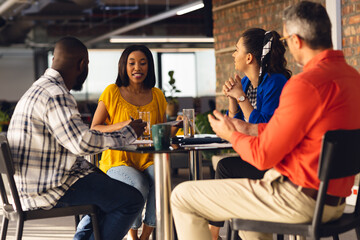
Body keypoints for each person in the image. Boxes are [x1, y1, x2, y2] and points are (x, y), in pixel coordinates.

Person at [171, 1, 360, 240]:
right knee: (248, 222)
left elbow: (263, 157)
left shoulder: (304, 85)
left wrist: (232, 135)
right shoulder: (353, 78)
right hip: (335, 202)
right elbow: (288, 132)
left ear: (296, 41)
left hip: (299, 199)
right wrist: (247, 127)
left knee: (182, 195)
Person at [6, 36, 147, 240]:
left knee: (107, 192)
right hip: (46, 189)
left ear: (54, 59)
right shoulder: (56, 94)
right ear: (83, 64)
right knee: (131, 199)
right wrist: (129, 133)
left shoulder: (38, 88)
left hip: (27, 186)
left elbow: (74, 138)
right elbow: (82, 143)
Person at [209, 28, 291, 240]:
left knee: (225, 168)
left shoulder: (276, 82)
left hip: (275, 162)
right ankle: (226, 233)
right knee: (227, 170)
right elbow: (233, 122)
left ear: (249, 57)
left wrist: (242, 98)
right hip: (254, 155)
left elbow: (265, 127)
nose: (233, 55)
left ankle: (214, 234)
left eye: (236, 50)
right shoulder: (245, 83)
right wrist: (232, 98)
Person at [91, 44, 166, 240]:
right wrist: (123, 125)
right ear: (124, 66)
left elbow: (161, 128)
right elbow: (95, 128)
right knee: (139, 184)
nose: (137, 68)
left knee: (161, 180)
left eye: (143, 63)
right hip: (117, 160)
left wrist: (177, 125)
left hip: (148, 157)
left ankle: (146, 236)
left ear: (149, 66)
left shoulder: (157, 94)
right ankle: (132, 235)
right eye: (132, 63)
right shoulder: (112, 92)